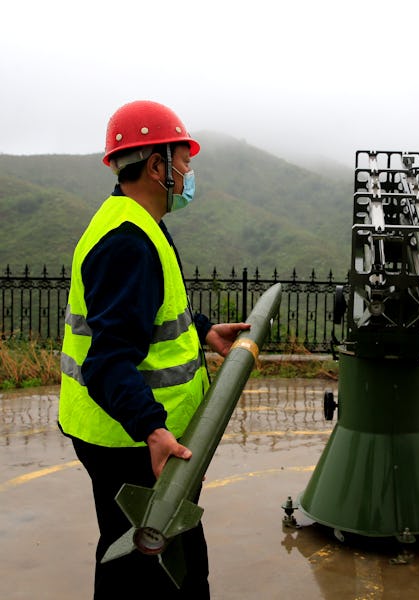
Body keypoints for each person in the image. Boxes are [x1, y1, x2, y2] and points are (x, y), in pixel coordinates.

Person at [58, 100, 251, 599]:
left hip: (123, 432)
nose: (189, 172)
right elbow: (107, 359)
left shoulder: (136, 222)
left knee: (134, 556)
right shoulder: (128, 240)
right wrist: (153, 429)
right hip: (132, 441)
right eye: (183, 160)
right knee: (161, 572)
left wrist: (205, 329)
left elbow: (149, 313)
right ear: (156, 165)